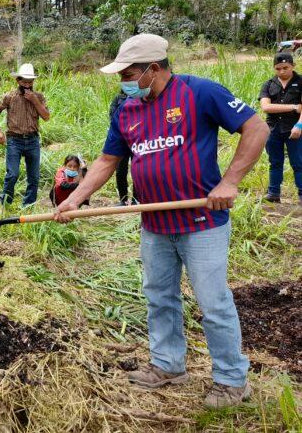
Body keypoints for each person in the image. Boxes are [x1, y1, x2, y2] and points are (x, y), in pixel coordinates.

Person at [54, 34, 269, 409]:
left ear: (154, 69)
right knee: (158, 297)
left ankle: (232, 381)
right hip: (154, 223)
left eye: (129, 73)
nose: (123, 81)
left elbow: (257, 128)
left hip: (202, 220)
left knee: (213, 302)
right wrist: (74, 198)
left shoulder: (200, 93)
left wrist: (230, 181)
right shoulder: (127, 109)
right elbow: (107, 161)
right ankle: (169, 365)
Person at [0, 63, 50, 206]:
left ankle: (28, 206)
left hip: (33, 140)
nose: (27, 85)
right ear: (18, 81)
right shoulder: (10, 96)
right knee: (12, 174)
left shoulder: (39, 97)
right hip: (14, 141)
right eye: (24, 82)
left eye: (30, 82)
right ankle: (5, 203)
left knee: (34, 177)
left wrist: (34, 101)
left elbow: (46, 116)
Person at [258, 52, 302, 205]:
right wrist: (295, 106)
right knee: (275, 162)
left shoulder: (300, 82)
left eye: (285, 67)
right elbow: (266, 107)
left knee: (298, 162)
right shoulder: (268, 84)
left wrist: (299, 125)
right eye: (278, 68)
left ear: (293, 66)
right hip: (273, 129)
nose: (282, 71)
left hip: (295, 128)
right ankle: (274, 193)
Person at [109, 90, 136, 205]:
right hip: (121, 140)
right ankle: (123, 199)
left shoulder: (141, 98)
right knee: (120, 171)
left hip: (137, 140)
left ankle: (136, 199)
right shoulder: (118, 98)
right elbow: (113, 117)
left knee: (137, 170)